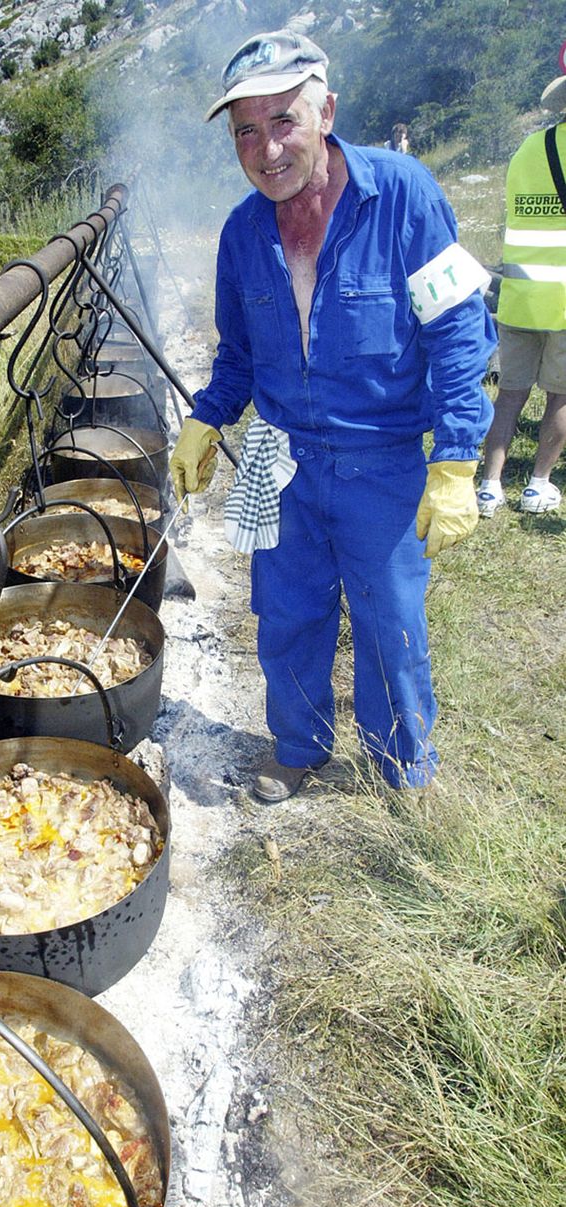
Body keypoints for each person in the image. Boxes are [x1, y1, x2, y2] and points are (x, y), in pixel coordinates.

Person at [170, 29, 496, 802]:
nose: (265, 149)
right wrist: (206, 418)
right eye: (245, 131)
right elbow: (238, 355)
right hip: (274, 454)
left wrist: (455, 458)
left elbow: (458, 331)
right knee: (284, 616)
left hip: (380, 457)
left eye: (282, 120)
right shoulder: (241, 232)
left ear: (326, 113)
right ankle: (297, 748)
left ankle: (401, 770)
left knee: (390, 626)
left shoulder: (404, 194)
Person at [476, 71, 566, 517]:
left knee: (509, 394)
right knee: (560, 396)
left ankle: (489, 486)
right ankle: (538, 485)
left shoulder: (529, 148)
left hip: (519, 295)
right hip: (563, 302)